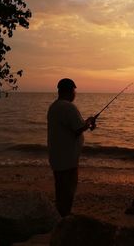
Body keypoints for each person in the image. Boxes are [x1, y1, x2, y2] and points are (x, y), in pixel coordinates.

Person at [47, 78, 95, 217]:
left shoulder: (54, 106)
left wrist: (87, 122)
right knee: (68, 190)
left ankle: (60, 214)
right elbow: (79, 128)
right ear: (70, 91)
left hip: (57, 157)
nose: (75, 93)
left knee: (61, 189)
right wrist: (89, 121)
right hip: (67, 159)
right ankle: (64, 217)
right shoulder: (68, 107)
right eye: (74, 90)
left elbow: (73, 128)